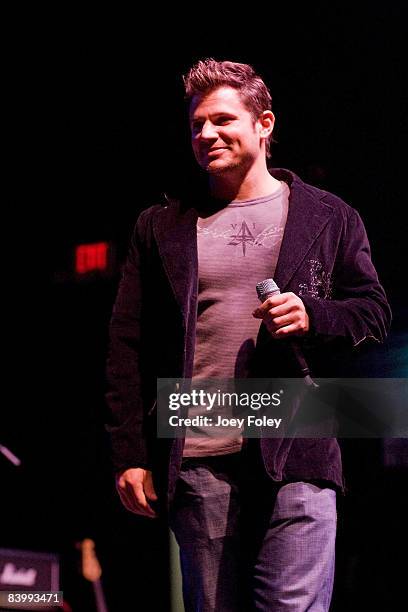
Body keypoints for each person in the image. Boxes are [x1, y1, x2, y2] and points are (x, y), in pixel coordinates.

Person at [106, 59, 391, 611]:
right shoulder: (161, 225)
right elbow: (126, 345)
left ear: (264, 123)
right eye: (195, 125)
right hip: (199, 452)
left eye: (221, 120)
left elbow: (373, 314)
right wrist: (129, 452)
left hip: (298, 445)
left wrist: (314, 316)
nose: (205, 134)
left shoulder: (330, 216)